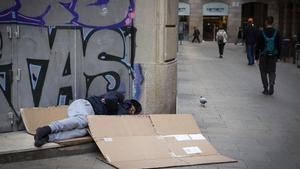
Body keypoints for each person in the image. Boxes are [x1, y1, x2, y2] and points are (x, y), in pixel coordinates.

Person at [34, 91, 142, 147]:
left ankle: (48, 137)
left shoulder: (117, 114)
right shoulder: (119, 98)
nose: (130, 113)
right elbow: (109, 98)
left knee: (83, 131)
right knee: (83, 120)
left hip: (90, 117)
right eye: (131, 109)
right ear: (129, 103)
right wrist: (120, 107)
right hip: (84, 105)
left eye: (133, 113)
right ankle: (47, 128)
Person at [255, 16, 281, 95]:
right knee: (272, 71)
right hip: (273, 55)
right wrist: (278, 56)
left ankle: (265, 88)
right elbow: (279, 45)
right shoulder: (277, 32)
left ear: (266, 22)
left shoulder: (261, 32)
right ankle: (272, 84)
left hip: (263, 55)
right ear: (272, 22)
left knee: (263, 71)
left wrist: (256, 57)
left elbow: (258, 45)